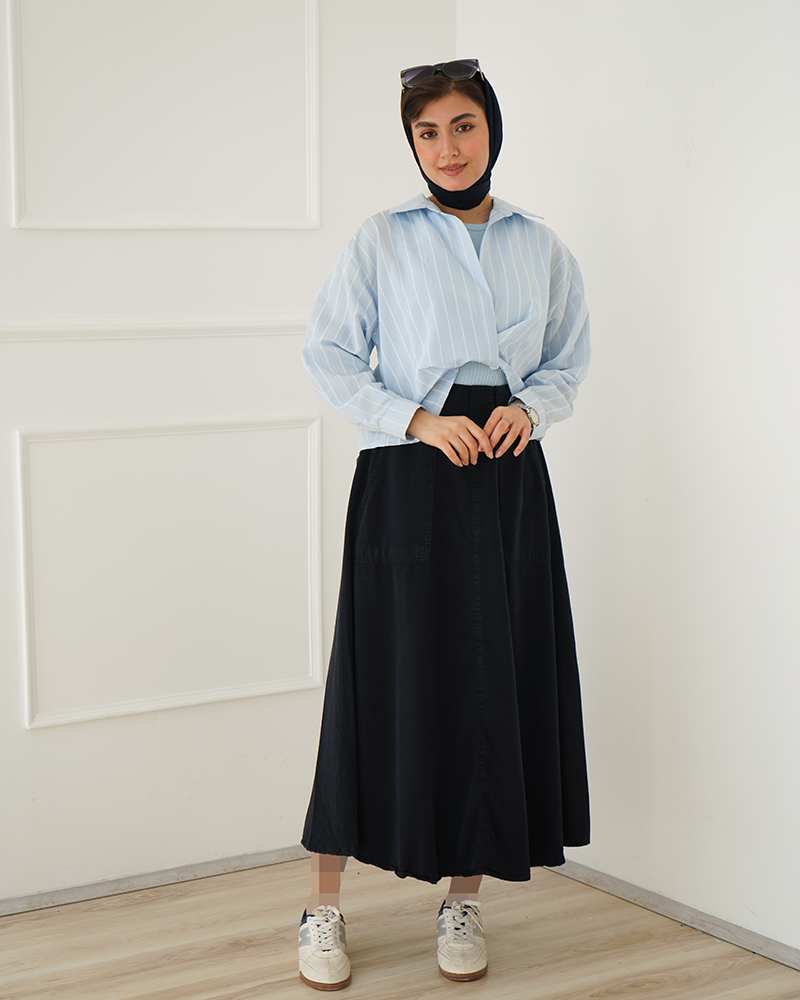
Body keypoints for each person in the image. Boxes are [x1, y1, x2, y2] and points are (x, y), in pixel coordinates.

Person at [296, 58, 591, 991]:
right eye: (428, 132)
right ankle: (322, 906)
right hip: (409, 475)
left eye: (464, 126)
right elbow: (329, 352)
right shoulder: (382, 239)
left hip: (507, 480)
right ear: (412, 143)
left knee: (491, 679)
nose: (448, 148)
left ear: (492, 130)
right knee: (378, 674)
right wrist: (417, 421)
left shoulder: (541, 246)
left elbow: (567, 359)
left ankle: (464, 899)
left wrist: (530, 408)